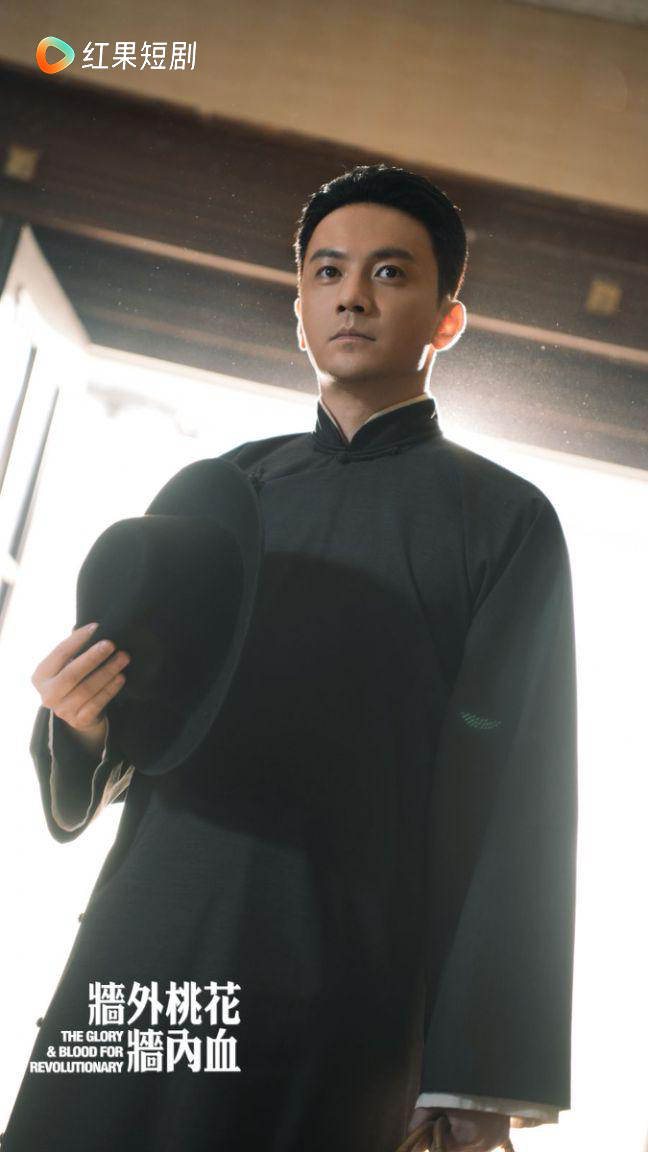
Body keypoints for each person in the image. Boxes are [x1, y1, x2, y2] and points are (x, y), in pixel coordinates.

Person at [2, 164, 577, 1152]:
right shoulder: (220, 491)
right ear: (299, 309)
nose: (352, 296)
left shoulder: (505, 522)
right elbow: (143, 738)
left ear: (447, 319)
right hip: (142, 949)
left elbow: (520, 803)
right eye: (327, 272)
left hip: (338, 985)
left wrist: (473, 1076)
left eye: (390, 273)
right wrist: (79, 725)